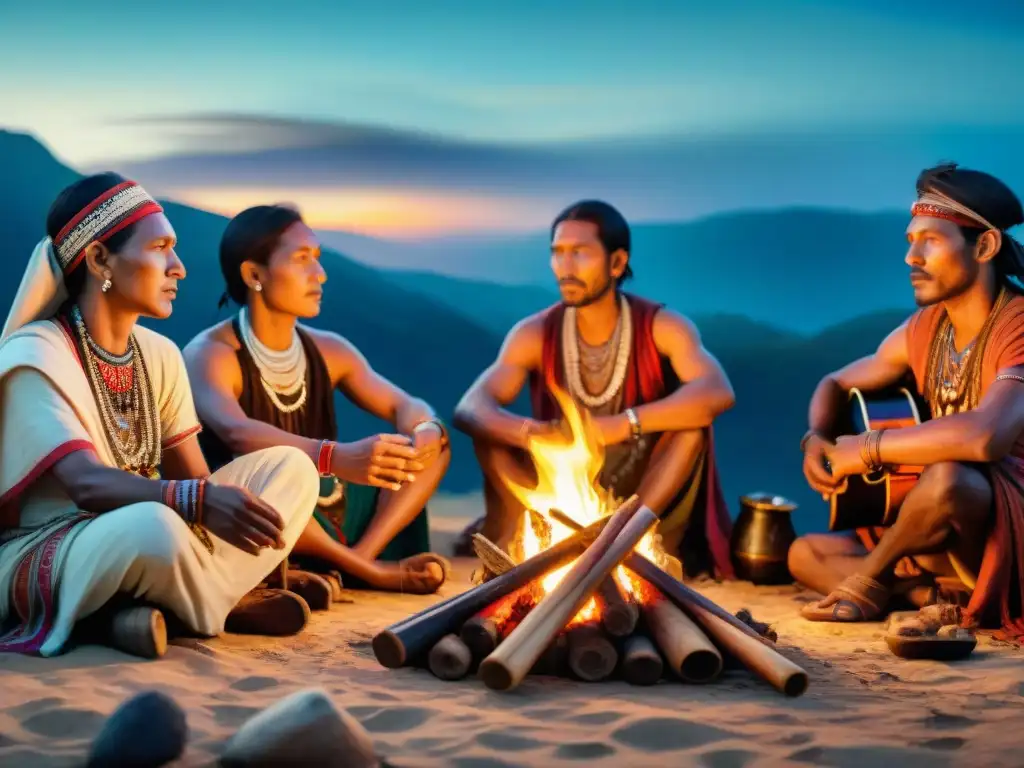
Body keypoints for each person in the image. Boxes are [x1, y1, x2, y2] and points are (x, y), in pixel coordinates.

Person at [0, 174, 322, 659]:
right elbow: (86, 485)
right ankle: (222, 605)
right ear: (99, 259)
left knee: (292, 469)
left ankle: (163, 609)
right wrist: (194, 501)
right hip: (57, 543)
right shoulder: (36, 353)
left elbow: (193, 479)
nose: (179, 268)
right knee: (155, 525)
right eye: (160, 247)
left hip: (156, 533)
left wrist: (218, 510)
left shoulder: (160, 355)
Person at [791, 163, 1024, 639]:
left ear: (984, 246)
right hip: (929, 536)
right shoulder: (925, 328)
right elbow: (835, 383)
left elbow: (986, 437)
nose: (911, 257)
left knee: (949, 479)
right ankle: (926, 598)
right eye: (909, 241)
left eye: (930, 241)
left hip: (1003, 536)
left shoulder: (1016, 326)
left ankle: (869, 582)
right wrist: (817, 438)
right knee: (804, 554)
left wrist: (871, 448)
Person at [451, 200, 736, 577]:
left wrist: (622, 424)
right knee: (490, 434)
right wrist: (532, 434)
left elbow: (717, 391)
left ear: (617, 263)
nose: (565, 268)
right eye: (558, 254)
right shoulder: (534, 333)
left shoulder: (662, 327)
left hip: (642, 490)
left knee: (691, 429)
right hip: (558, 489)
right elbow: (471, 408)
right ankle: (520, 540)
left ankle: (628, 543)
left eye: (580, 254)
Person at [183, 204, 450, 600]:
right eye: (302, 259)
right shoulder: (211, 353)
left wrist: (424, 429)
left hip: (332, 503)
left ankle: (358, 560)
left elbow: (404, 405)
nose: (319, 274)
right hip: (270, 509)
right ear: (254, 274)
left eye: (318, 259)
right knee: (275, 493)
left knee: (436, 447)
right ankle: (369, 572)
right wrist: (332, 457)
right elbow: (236, 432)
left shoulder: (329, 350)